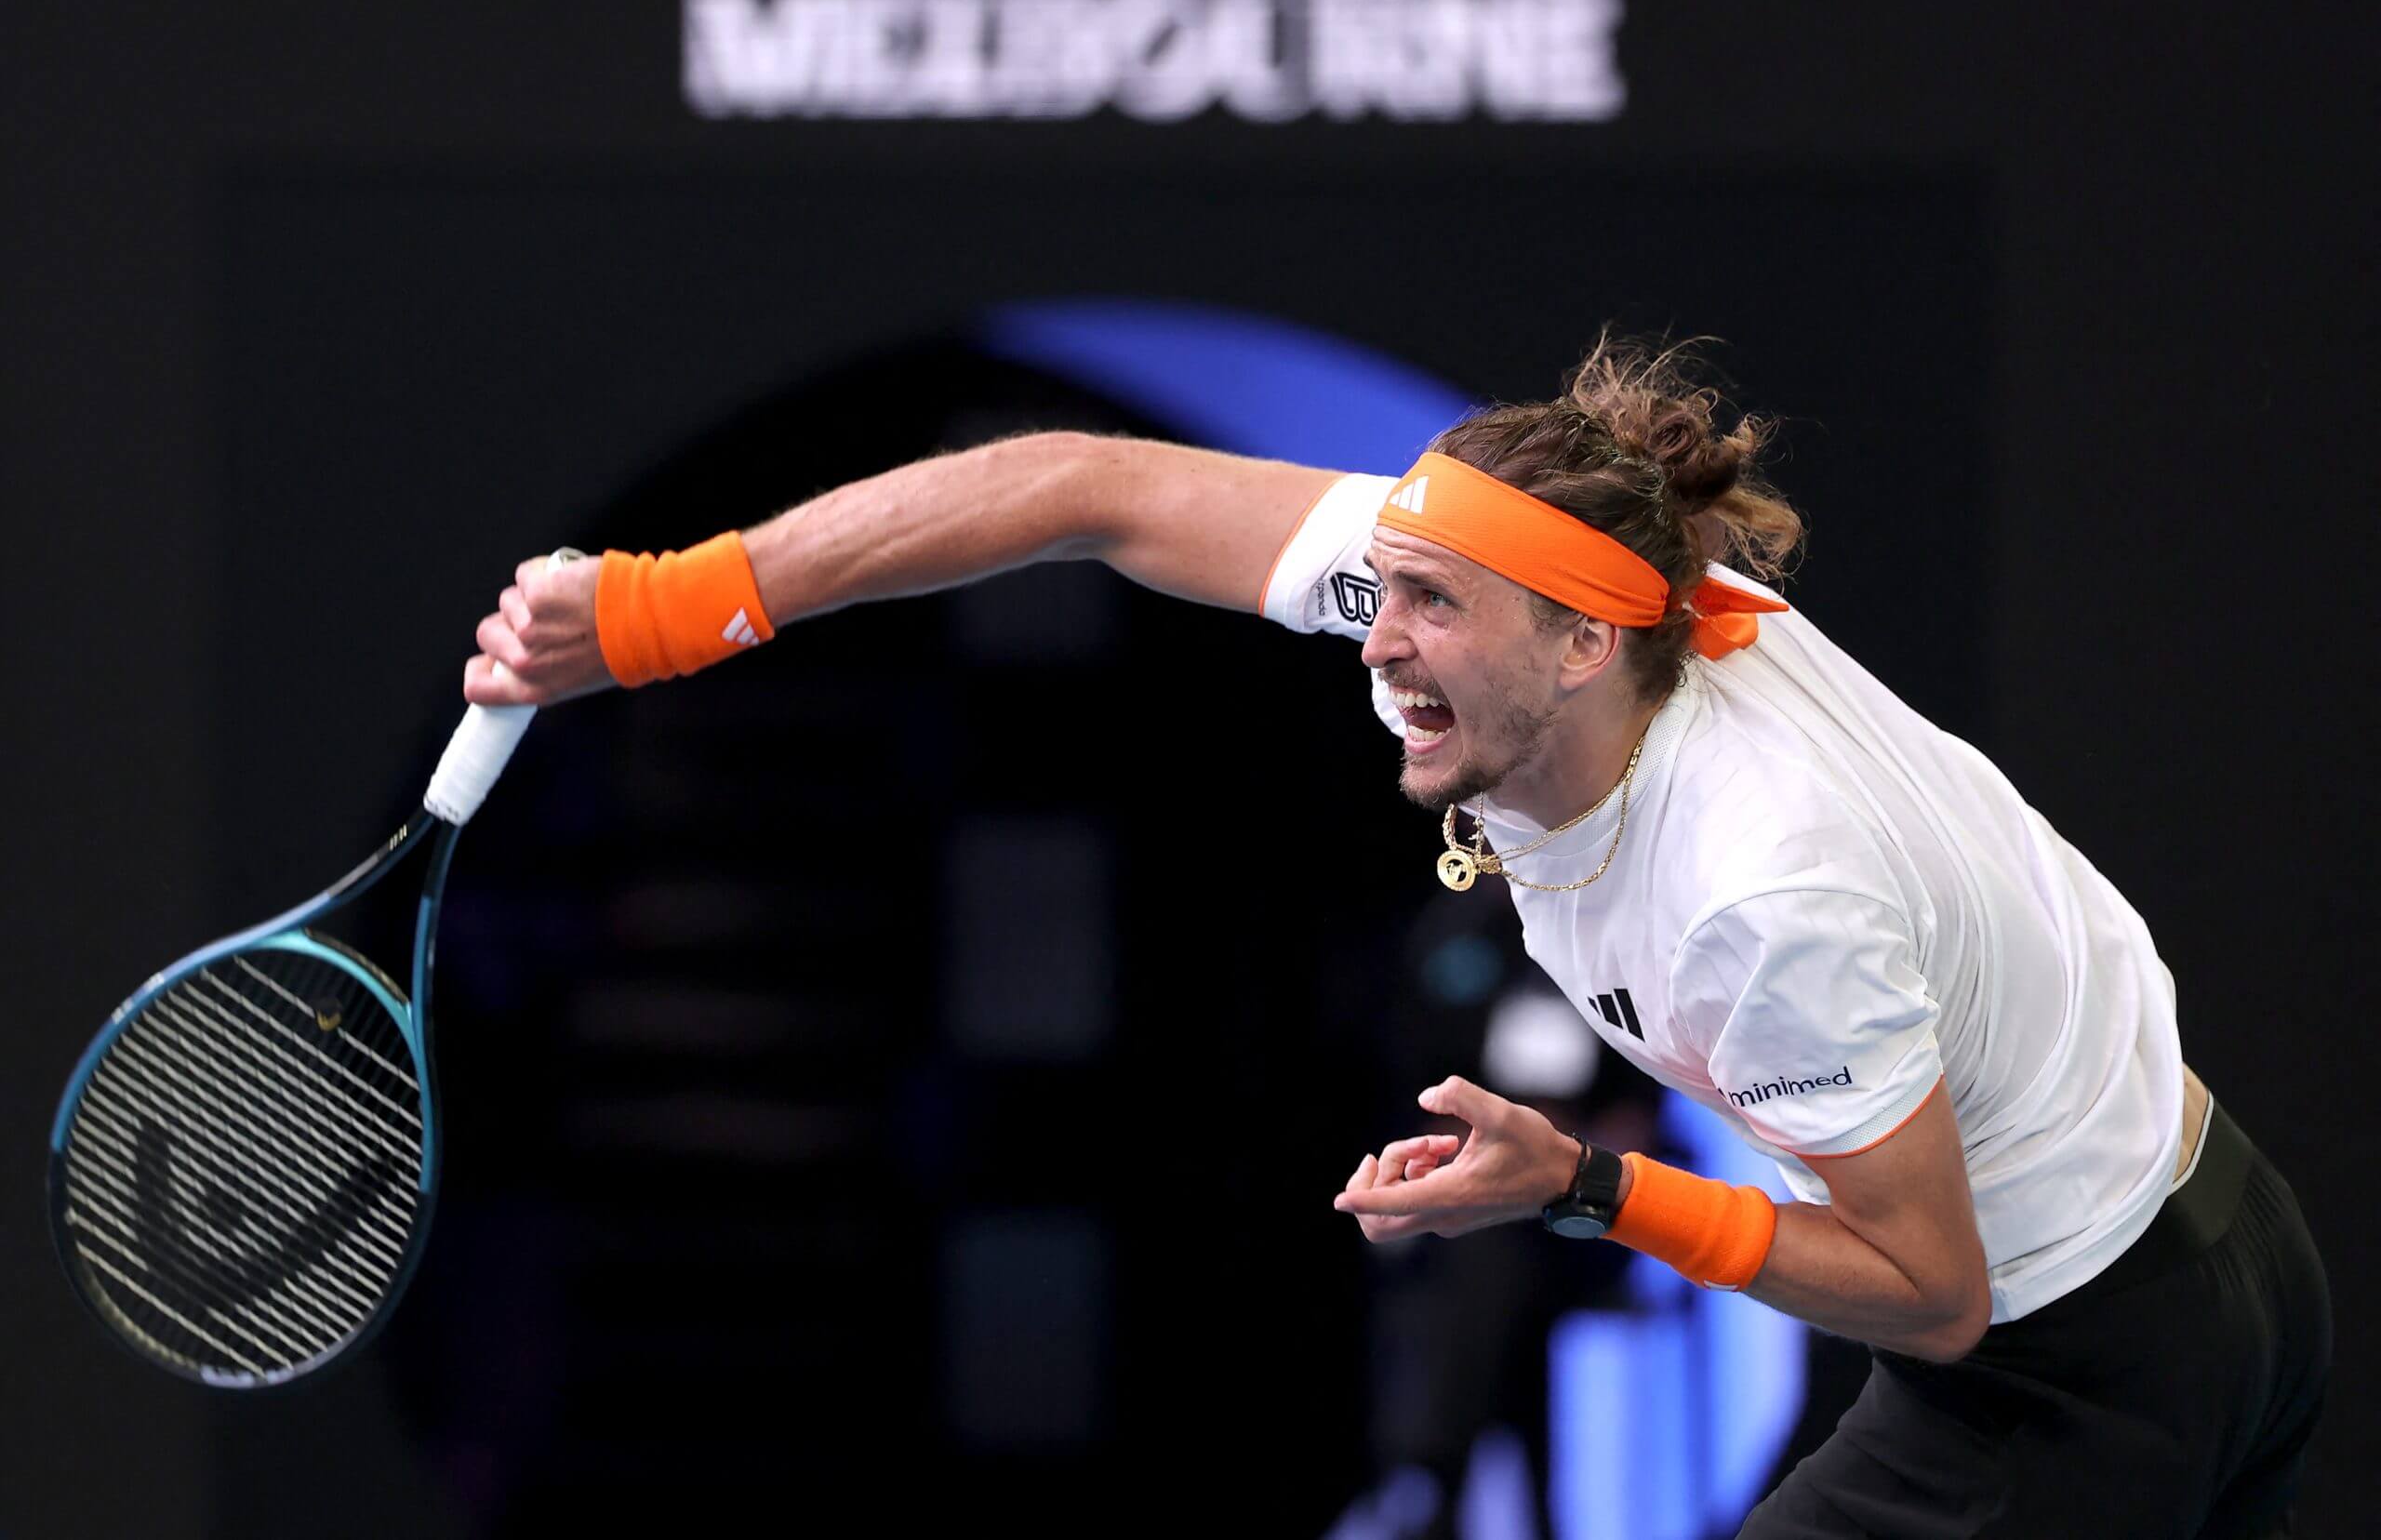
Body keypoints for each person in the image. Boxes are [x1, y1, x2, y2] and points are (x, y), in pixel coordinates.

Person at [465, 334, 2330, 1536]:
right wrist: (665, 607)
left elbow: (1931, 1290)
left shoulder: (1755, 893)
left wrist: (1585, 1188)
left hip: (2070, 1372)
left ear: (1581, 642)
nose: (1376, 634)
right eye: (1389, 585)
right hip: (2230, 1232)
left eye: (1431, 607)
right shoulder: (1604, 606)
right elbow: (1085, 487)